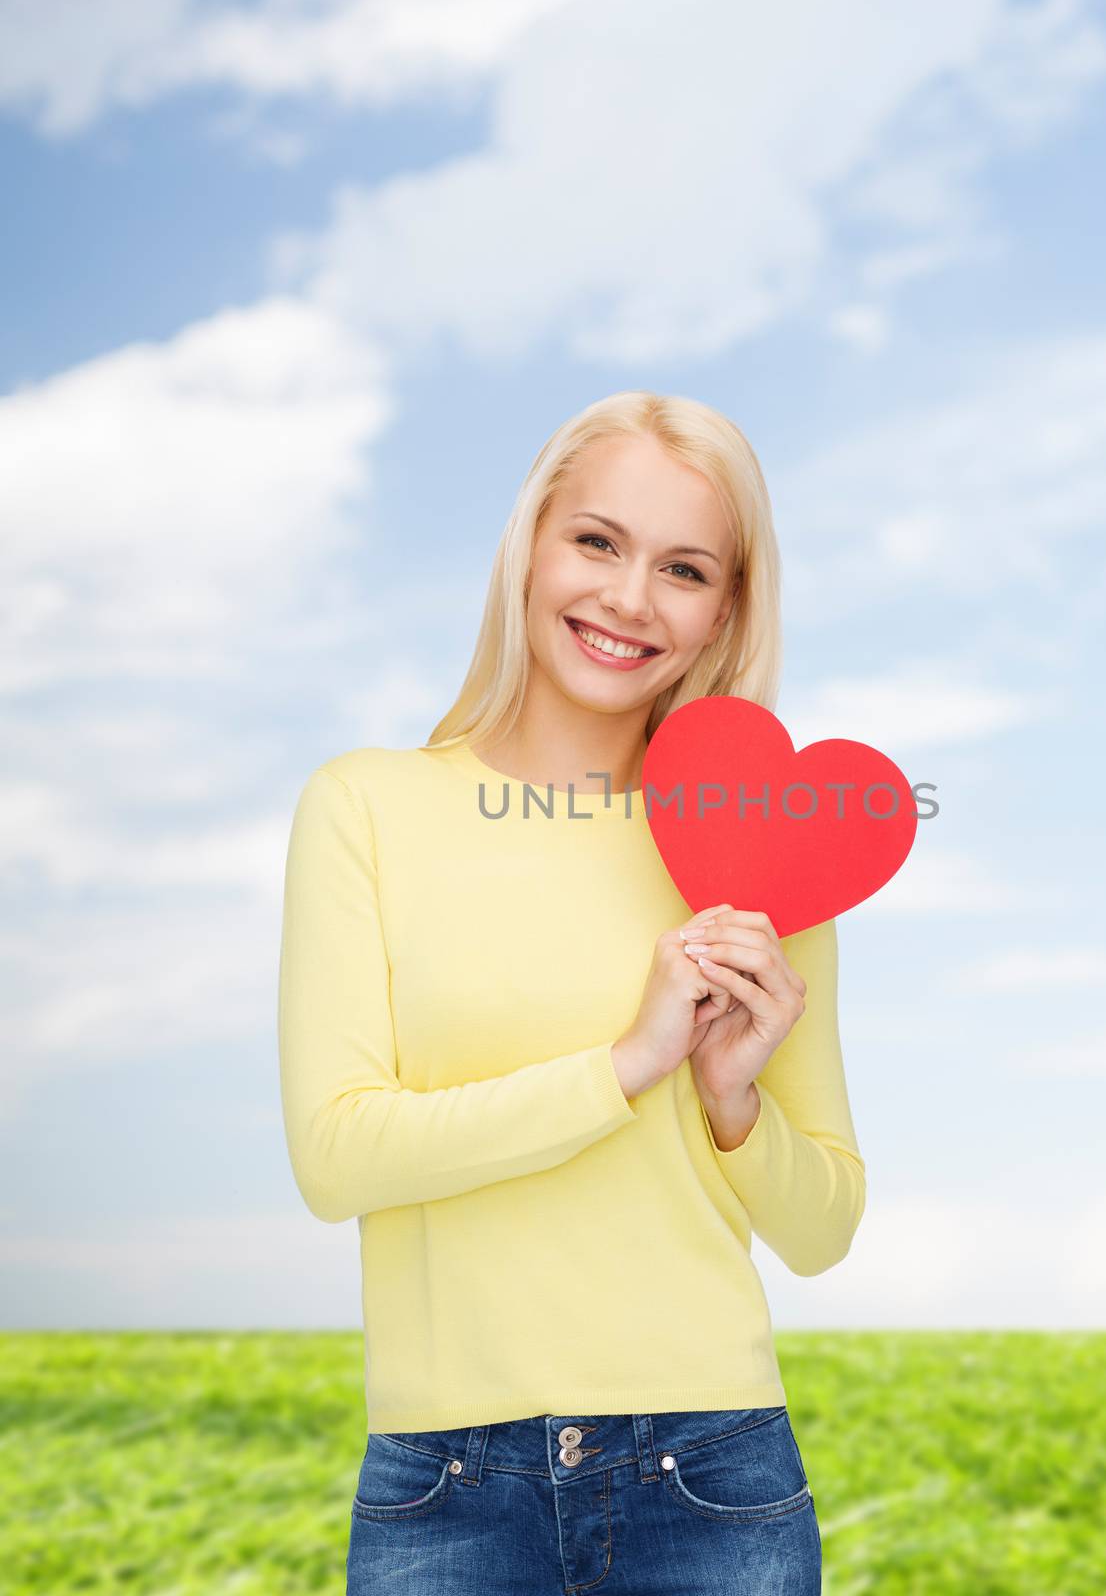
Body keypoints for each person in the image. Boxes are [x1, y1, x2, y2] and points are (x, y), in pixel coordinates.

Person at [277, 390, 867, 1594]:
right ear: (531, 543)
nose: (629, 600)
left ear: (726, 608)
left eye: (686, 567)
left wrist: (732, 1103)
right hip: (448, 1486)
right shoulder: (368, 807)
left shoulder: (763, 852)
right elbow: (337, 1156)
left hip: (714, 1478)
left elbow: (824, 1230)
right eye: (597, 542)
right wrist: (628, 1066)